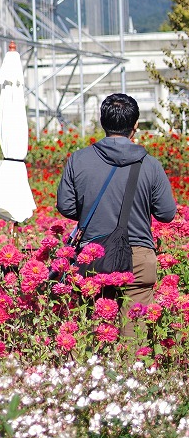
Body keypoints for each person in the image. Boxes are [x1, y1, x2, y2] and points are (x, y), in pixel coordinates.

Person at [56, 93, 177, 339]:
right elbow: (166, 213)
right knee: (135, 340)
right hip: (138, 259)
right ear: (135, 127)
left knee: (97, 337)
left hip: (94, 257)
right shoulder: (150, 165)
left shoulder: (78, 160)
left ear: (103, 123)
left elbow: (66, 207)